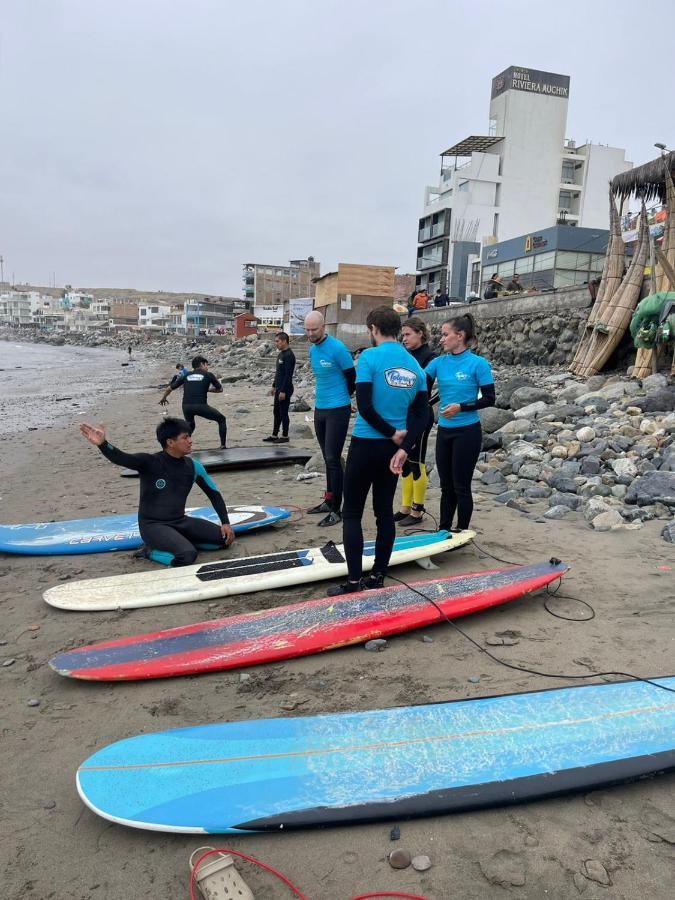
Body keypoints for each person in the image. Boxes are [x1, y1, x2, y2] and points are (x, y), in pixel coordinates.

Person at [327, 306, 429, 597]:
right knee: (383, 512)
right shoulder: (414, 366)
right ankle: (379, 576)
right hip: (392, 452)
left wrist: (389, 433)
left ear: (372, 329)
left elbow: (366, 407)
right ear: (397, 329)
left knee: (352, 513)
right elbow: (423, 415)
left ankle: (355, 582)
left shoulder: (369, 358)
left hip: (366, 444)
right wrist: (403, 445)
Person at [79, 417, 235, 566]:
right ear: (170, 442)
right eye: (185, 437)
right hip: (153, 526)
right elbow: (123, 458)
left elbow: (214, 494)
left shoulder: (194, 467)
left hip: (180, 521)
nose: (190, 441)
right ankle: (149, 551)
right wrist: (103, 444)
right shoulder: (150, 462)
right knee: (187, 556)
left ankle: (180, 541)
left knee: (224, 540)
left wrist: (225, 523)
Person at [425, 314, 495, 532]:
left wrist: (461, 407)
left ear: (460, 336)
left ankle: (461, 531)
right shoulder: (438, 363)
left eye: (445, 335)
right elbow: (419, 387)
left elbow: (489, 399)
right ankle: (444, 530)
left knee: (461, 486)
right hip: (444, 432)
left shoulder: (478, 364)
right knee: (446, 487)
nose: (441, 339)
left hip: (467, 432)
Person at [304, 311, 356, 527]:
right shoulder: (312, 350)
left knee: (334, 458)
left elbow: (352, 377)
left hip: (338, 409)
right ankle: (328, 499)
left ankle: (337, 509)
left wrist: (346, 398)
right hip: (321, 408)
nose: (310, 333)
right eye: (307, 329)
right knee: (327, 458)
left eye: (314, 329)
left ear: (323, 327)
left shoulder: (337, 348)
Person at [395, 317, 437, 526]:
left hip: (420, 416)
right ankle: (404, 507)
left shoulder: (430, 357)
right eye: (402, 335)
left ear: (420, 333)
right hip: (404, 415)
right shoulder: (406, 356)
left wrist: (427, 404)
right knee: (404, 463)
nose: (404, 339)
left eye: (408, 334)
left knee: (417, 462)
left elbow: (437, 389)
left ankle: (417, 509)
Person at [159, 356, 228, 449]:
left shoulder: (186, 375)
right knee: (221, 419)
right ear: (202, 364)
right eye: (206, 365)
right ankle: (223, 445)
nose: (207, 367)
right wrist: (208, 390)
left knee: (190, 426)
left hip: (186, 407)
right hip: (201, 406)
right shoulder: (208, 375)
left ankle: (179, 446)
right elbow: (220, 389)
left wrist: (164, 398)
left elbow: (169, 388)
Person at [264, 331, 296, 443]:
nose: (276, 344)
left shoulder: (289, 355)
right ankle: (274, 435)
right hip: (278, 388)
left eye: (277, 341)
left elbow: (288, 375)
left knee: (283, 412)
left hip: (285, 389)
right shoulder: (280, 354)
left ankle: (285, 436)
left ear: (284, 341)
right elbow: (278, 373)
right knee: (276, 412)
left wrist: (283, 391)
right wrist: (273, 386)